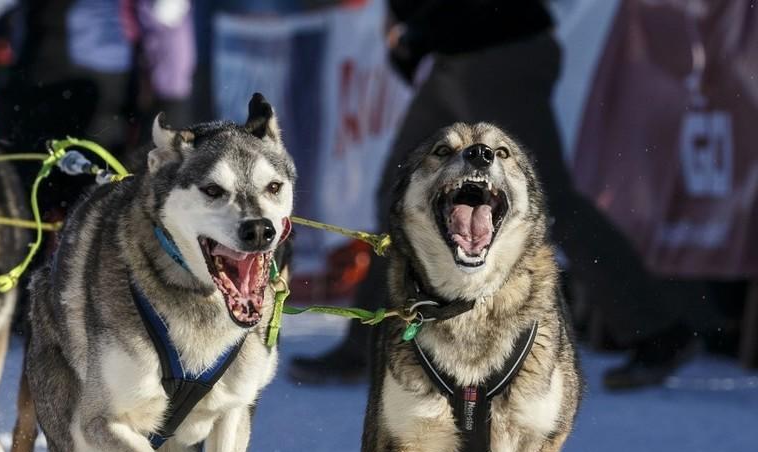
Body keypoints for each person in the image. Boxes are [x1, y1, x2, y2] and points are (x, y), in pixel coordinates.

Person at [290, 0, 699, 391]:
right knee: (403, 191)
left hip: (497, 48)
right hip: (459, 51)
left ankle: (658, 330)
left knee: (547, 199)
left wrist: (421, 25)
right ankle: (369, 344)